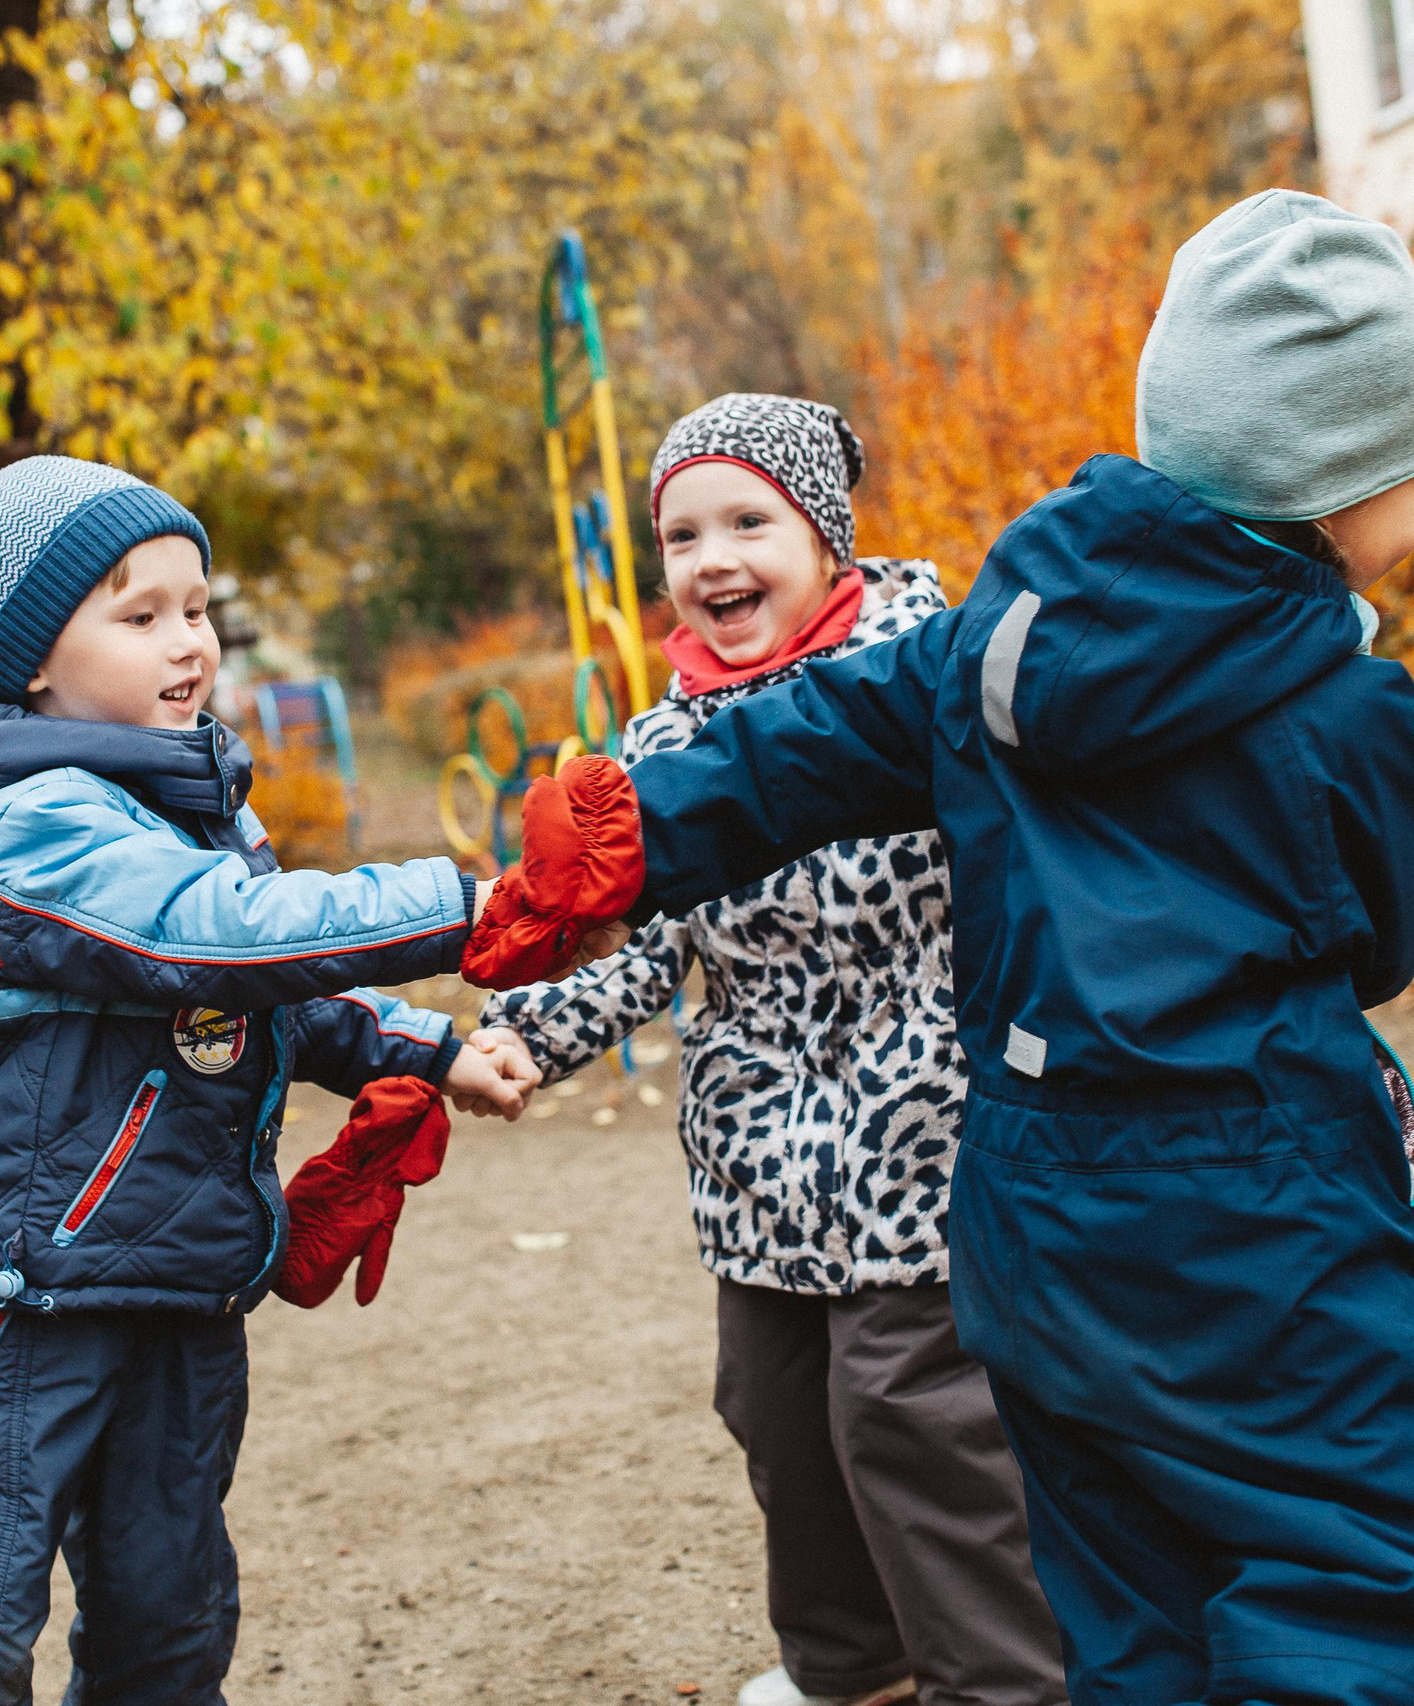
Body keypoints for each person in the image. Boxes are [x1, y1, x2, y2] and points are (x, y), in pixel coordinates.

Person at [479, 191, 1414, 1704]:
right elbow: (1382, 934)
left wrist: (643, 823)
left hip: (1024, 1202)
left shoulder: (997, 632)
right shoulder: (1341, 710)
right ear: (1341, 489)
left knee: (1120, 1585)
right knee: (1374, 1558)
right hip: (1252, 1196)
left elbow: (812, 739)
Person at [0, 454, 544, 1706]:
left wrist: (429, 1048)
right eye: (140, 616)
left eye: (196, 609)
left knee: (169, 1624)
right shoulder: (33, 822)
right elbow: (215, 934)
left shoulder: (188, 806)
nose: (188, 642)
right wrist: (478, 902)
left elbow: (266, 981)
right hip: (36, 1303)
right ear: (28, 660)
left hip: (182, 1286)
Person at [474, 394, 1064, 1706]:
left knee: (911, 1416)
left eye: (750, 519)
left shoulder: (925, 677)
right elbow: (646, 931)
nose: (713, 558)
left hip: (926, 1135)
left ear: (825, 536)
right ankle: (852, 1668)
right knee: (780, 1412)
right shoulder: (670, 735)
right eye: (683, 534)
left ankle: (1011, 1681)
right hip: (760, 1159)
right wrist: (526, 1031)